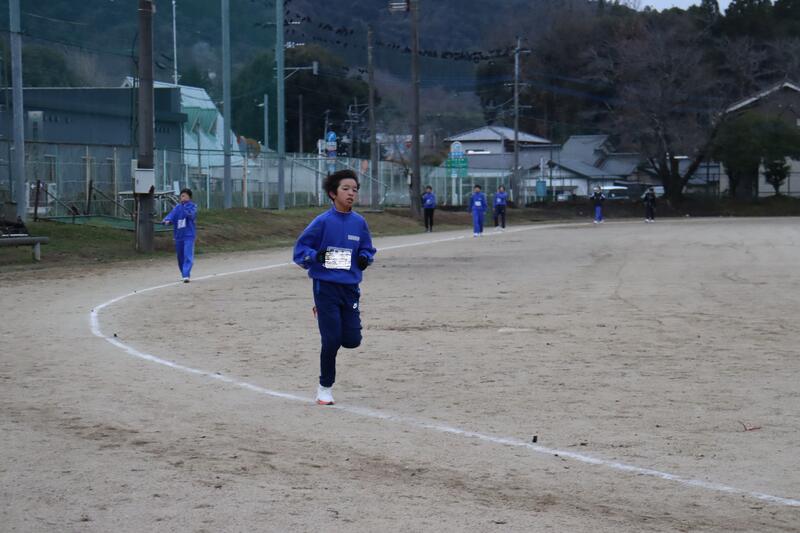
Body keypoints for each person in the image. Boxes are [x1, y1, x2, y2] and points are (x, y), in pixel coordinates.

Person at [293, 169, 377, 406]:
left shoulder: (359, 222)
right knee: (331, 340)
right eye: (345, 189)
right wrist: (316, 256)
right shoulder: (322, 222)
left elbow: (367, 248)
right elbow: (300, 251)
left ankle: (324, 314)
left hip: (350, 288)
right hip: (326, 287)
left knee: (352, 340)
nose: (351, 193)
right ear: (333, 193)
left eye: (355, 190)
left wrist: (365, 257)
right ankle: (324, 388)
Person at [162, 188, 197, 282]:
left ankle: (186, 274)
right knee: (180, 256)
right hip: (179, 235)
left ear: (189, 197)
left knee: (187, 255)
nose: (182, 197)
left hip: (189, 235)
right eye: (181, 196)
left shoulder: (192, 206)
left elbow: (191, 215)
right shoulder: (177, 207)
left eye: (184, 196)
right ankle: (184, 274)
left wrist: (185, 207)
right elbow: (171, 216)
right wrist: (167, 220)